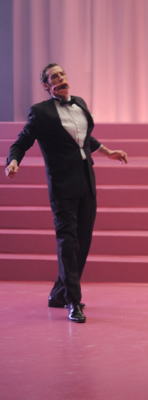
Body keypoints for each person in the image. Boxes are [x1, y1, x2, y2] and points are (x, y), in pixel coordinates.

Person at [5, 63, 129, 323]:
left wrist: (108, 152)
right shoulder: (41, 113)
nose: (60, 79)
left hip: (86, 180)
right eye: (54, 77)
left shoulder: (80, 103)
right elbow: (22, 140)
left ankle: (59, 294)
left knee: (82, 242)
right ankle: (74, 301)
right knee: (67, 242)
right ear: (47, 86)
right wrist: (13, 160)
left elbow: (84, 138)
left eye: (62, 74)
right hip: (62, 186)